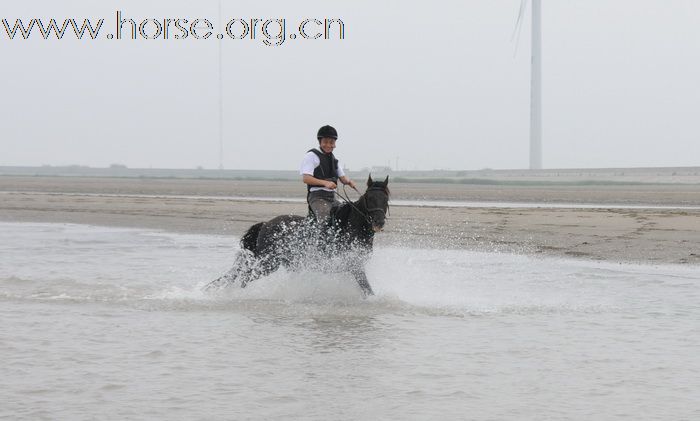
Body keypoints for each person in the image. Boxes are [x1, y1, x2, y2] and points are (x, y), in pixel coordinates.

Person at [300, 125, 357, 223]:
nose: (328, 145)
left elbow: (343, 178)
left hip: (331, 197)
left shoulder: (334, 160)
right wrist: (325, 183)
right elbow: (306, 178)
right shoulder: (311, 156)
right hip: (317, 197)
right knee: (325, 219)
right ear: (320, 142)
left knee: (347, 214)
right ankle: (319, 238)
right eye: (325, 142)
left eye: (331, 142)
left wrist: (349, 182)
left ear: (335, 144)